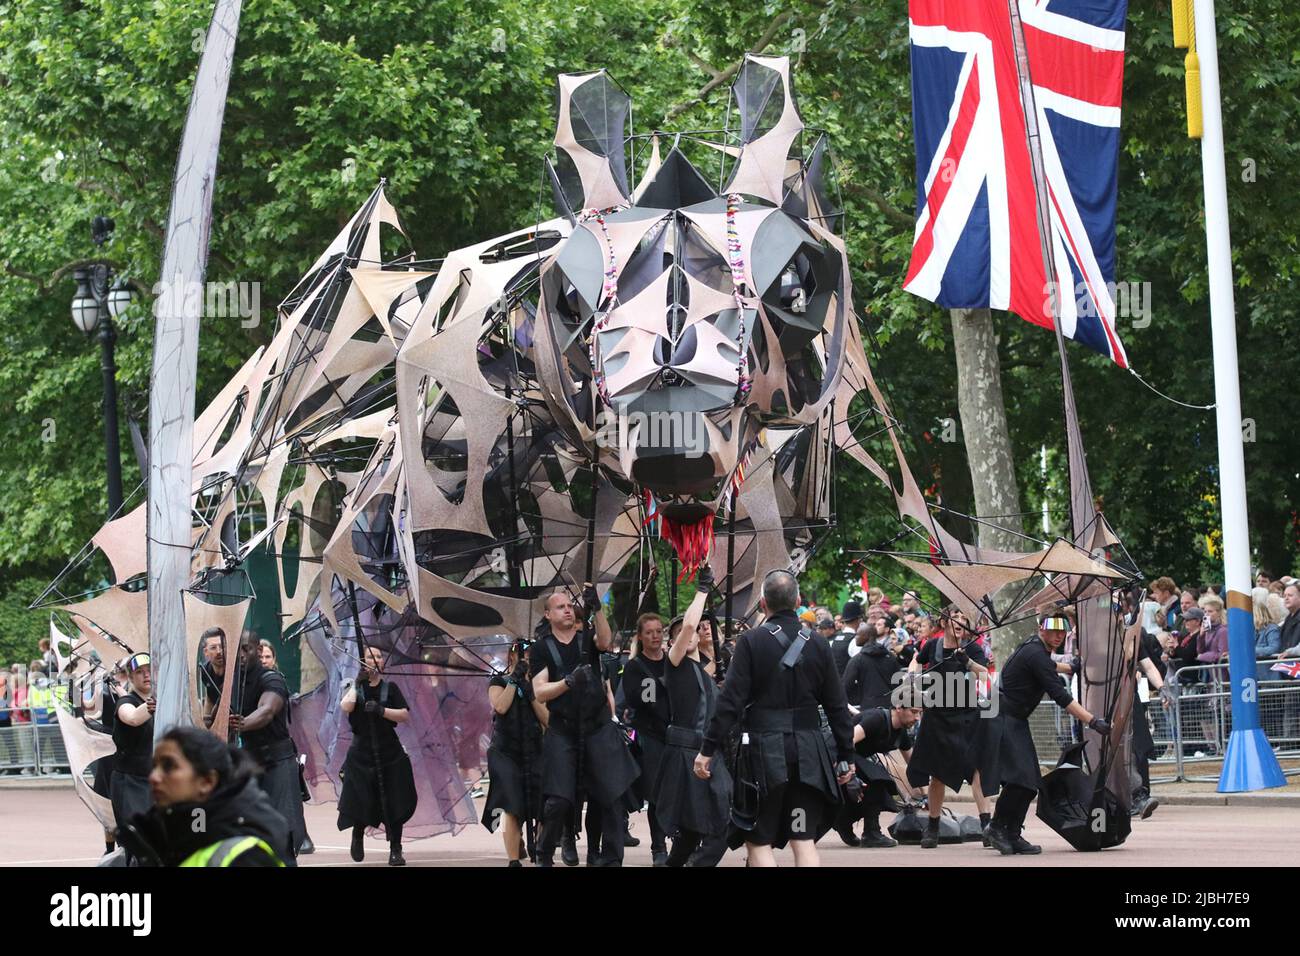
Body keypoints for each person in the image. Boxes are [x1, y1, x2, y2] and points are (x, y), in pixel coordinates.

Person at [695, 569, 855, 868]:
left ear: (763, 604)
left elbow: (729, 702)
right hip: (808, 755)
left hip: (764, 755)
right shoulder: (819, 643)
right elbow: (837, 706)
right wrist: (846, 755)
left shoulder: (751, 641)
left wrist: (707, 749)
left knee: (759, 839)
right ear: (797, 601)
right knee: (803, 837)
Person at [980, 610, 1110, 855]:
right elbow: (1061, 696)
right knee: (1022, 778)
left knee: (1030, 781)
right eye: (1054, 631)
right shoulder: (1035, 653)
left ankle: (1012, 832)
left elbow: (1049, 664)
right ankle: (998, 827)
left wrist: (1070, 667)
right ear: (1042, 629)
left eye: (1063, 632)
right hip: (1001, 717)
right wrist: (1092, 721)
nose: (1059, 636)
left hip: (1011, 718)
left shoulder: (1035, 648)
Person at [530, 585, 639, 867]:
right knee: (558, 801)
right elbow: (540, 692)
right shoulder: (542, 648)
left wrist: (598, 608)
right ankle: (544, 853)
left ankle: (612, 859)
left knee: (612, 796)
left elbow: (605, 641)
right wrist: (567, 682)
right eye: (559, 607)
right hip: (563, 729)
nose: (567, 609)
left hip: (597, 726)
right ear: (548, 615)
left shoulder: (585, 638)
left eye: (569, 605)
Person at [116, 726, 290, 867]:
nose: (154, 777)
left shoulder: (247, 856)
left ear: (207, 782)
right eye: (154, 766)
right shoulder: (164, 836)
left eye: (169, 766)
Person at [654, 569, 731, 866]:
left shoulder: (707, 670)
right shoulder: (674, 665)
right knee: (707, 825)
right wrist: (702, 589)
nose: (684, 636)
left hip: (708, 752)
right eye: (675, 637)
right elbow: (688, 625)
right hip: (685, 755)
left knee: (693, 829)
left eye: (689, 634)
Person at [905, 607, 992, 848]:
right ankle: (933, 828)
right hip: (937, 717)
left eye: (964, 618)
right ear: (944, 622)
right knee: (937, 774)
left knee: (976, 769)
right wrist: (912, 677)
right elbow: (915, 659)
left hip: (966, 715)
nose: (961, 622)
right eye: (956, 617)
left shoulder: (972, 647)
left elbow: (984, 675)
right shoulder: (932, 646)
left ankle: (987, 826)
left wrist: (968, 661)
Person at [228, 631, 306, 858]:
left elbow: (266, 711)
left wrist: (242, 724)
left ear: (259, 650)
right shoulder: (233, 683)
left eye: (246, 648)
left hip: (278, 762)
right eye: (237, 649)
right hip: (249, 761)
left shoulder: (271, 679)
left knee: (283, 828)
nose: (242, 654)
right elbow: (212, 716)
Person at [338, 645, 417, 866]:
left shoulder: (390, 688)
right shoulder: (351, 684)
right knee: (362, 799)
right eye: (370, 657)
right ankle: (358, 833)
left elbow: (404, 715)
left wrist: (382, 711)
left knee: (395, 801)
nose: (375, 660)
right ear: (362, 661)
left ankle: (396, 849)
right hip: (361, 754)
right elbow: (346, 706)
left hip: (389, 753)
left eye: (379, 656)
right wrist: (358, 682)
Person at [837, 618, 911, 847]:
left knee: (880, 780)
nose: (855, 635)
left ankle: (861, 826)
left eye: (859, 633)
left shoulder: (858, 659)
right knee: (877, 777)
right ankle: (865, 829)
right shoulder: (890, 659)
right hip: (880, 717)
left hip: (879, 714)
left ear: (863, 637)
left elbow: (844, 689)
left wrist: (918, 797)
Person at [482, 639, 547, 865]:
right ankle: (513, 860)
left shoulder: (539, 685)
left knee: (542, 803)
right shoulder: (497, 680)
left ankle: (538, 847)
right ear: (512, 656)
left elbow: (547, 720)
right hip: (504, 751)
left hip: (533, 749)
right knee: (512, 803)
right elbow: (500, 707)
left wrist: (530, 693)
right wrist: (514, 681)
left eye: (531, 656)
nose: (527, 660)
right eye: (523, 655)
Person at [620, 611, 672, 866]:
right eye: (649, 632)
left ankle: (683, 840)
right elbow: (639, 699)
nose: (655, 637)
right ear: (640, 636)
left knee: (680, 792)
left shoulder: (673, 662)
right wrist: (662, 687)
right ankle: (658, 846)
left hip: (676, 735)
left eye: (659, 631)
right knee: (657, 795)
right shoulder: (634, 667)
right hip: (651, 738)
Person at [110, 652, 155, 860]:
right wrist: (149, 706)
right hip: (130, 782)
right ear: (130, 677)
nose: (146, 675)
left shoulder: (168, 699)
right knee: (138, 841)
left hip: (157, 780)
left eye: (149, 671)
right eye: (139, 672)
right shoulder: (126, 702)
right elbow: (132, 717)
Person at [830, 600, 863, 675]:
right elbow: (859, 667)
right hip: (850, 684)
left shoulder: (834, 640)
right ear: (859, 619)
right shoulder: (855, 641)